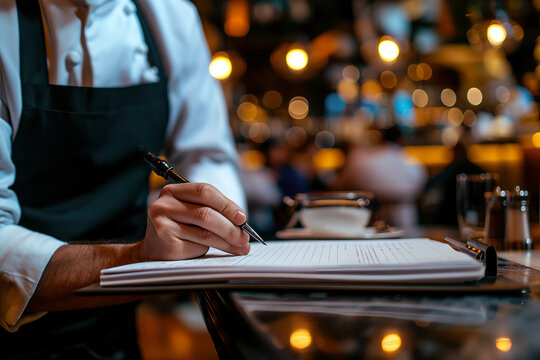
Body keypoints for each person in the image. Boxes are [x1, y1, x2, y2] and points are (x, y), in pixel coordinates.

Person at [0, 0, 249, 358]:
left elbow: (205, 154)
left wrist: (207, 218)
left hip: (117, 335)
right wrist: (139, 258)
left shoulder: (169, 15)